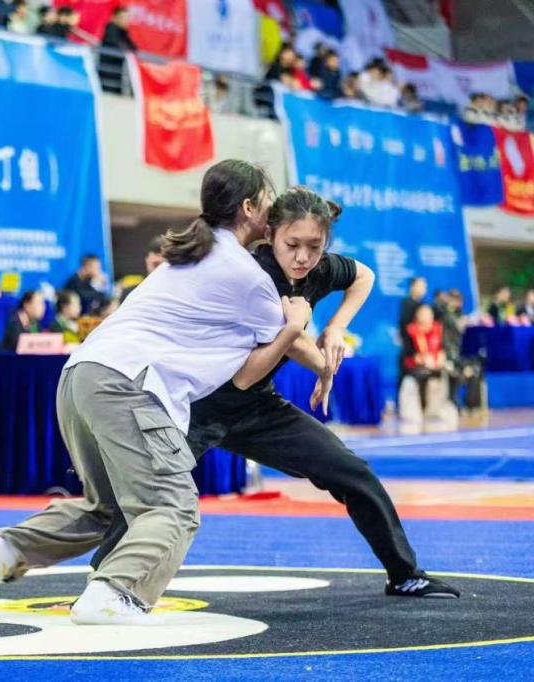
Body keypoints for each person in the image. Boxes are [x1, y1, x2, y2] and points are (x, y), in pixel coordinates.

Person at [0, 159, 313, 624]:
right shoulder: (248, 276)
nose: (273, 213)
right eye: (268, 203)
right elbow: (254, 372)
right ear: (249, 208)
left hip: (80, 375)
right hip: (128, 386)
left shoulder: (187, 254)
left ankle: (8, 549)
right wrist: (299, 329)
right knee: (173, 507)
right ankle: (115, 592)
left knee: (108, 508)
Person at [168, 187, 455, 598]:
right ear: (270, 234)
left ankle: (404, 574)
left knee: (353, 474)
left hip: (255, 405)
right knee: (148, 497)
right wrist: (324, 365)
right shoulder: (254, 275)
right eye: (293, 245)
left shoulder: (318, 270)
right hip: (198, 403)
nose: (303, 257)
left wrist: (336, 327)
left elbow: (364, 277)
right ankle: (108, 582)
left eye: (314, 246)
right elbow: (292, 341)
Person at [404, 304, 447, 413]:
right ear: (417, 315)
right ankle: (423, 406)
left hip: (434, 362)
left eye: (429, 314)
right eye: (423, 314)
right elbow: (408, 353)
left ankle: (445, 405)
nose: (426, 316)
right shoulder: (411, 330)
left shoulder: (438, 329)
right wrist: (422, 359)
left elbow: (442, 348)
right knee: (423, 374)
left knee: (448, 372)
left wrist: (440, 357)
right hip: (416, 364)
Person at [119, 237, 165, 304]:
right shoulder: (130, 294)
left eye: (164, 265)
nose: (159, 269)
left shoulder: (177, 294)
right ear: (147, 260)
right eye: (156, 264)